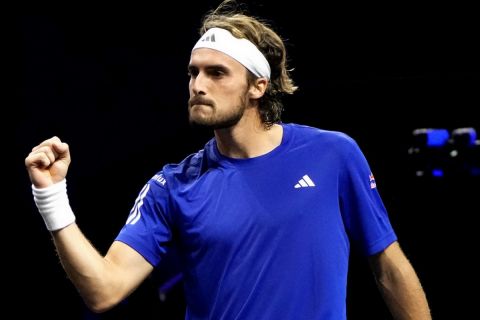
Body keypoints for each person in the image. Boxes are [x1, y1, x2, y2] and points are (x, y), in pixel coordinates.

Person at [25, 0, 431, 319]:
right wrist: (51, 197)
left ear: (257, 86)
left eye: (216, 73)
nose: (198, 85)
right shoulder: (171, 186)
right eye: (193, 73)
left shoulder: (334, 154)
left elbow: (388, 267)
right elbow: (103, 289)